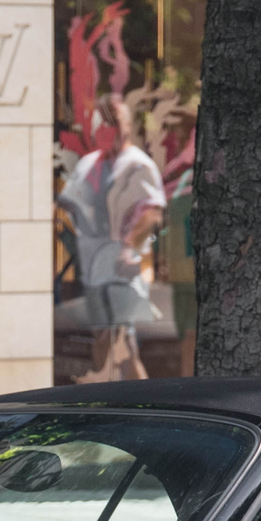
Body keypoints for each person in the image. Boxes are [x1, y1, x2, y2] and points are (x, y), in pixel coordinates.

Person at [58, 94, 167, 383]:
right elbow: (69, 205)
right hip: (94, 270)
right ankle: (112, 404)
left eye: (116, 122)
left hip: (120, 271)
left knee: (120, 345)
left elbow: (152, 214)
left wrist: (129, 248)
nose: (111, 129)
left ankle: (142, 409)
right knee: (105, 343)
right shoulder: (89, 164)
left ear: (127, 126)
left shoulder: (138, 166)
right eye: (105, 122)